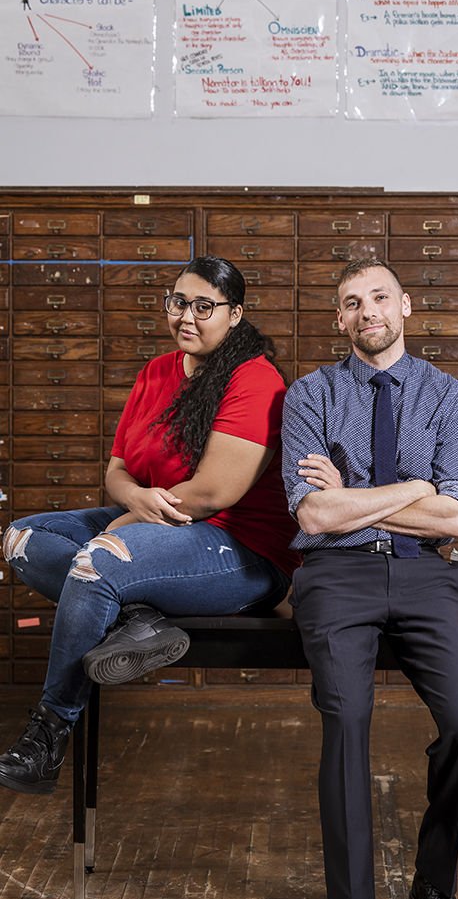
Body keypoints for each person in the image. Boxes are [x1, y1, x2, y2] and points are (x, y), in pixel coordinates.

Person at [0, 255, 300, 796]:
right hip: (152, 519)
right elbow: (116, 472)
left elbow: (212, 495)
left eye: (204, 306)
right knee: (22, 539)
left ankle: (48, 738)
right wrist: (135, 500)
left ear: (235, 314)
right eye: (178, 302)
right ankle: (137, 611)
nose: (186, 316)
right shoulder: (157, 372)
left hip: (241, 550)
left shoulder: (257, 380)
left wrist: (126, 530)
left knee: (99, 562)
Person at [280, 258, 458, 899]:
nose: (366, 310)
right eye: (350, 303)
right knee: (345, 720)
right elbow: (314, 513)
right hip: (335, 573)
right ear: (339, 319)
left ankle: (432, 881)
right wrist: (411, 486)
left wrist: (360, 495)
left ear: (404, 303)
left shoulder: (446, 395)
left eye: (378, 296)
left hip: (428, 573)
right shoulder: (310, 395)